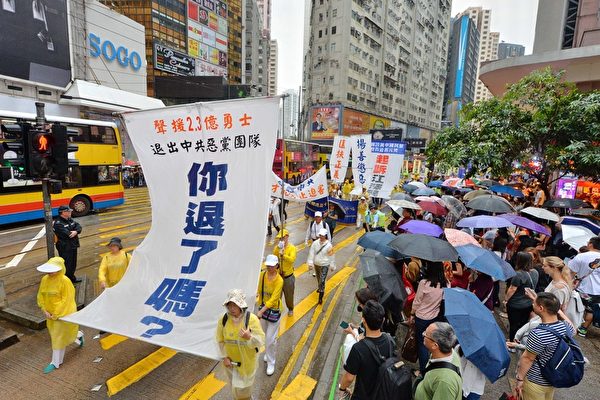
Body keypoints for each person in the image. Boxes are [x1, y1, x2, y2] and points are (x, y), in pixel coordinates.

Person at [513, 292, 575, 400]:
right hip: (552, 380)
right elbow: (573, 329)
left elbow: (528, 359)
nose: (532, 304)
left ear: (541, 308)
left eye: (534, 303)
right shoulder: (566, 327)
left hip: (535, 382)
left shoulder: (538, 333)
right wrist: (558, 310)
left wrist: (520, 380)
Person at [339, 300, 395, 400]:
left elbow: (349, 378)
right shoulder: (389, 339)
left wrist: (342, 388)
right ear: (382, 320)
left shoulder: (358, 348)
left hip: (364, 395)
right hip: (383, 391)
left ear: (363, 320)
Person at [36, 257, 84, 373]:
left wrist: (56, 314)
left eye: (52, 270)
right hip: (50, 314)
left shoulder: (65, 281)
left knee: (57, 337)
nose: (50, 273)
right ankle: (79, 335)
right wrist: (44, 309)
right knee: (64, 333)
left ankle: (55, 362)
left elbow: (66, 300)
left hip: (64, 313)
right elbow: (40, 295)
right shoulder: (44, 280)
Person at [216, 289, 265, 400]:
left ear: (241, 305)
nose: (232, 308)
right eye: (229, 305)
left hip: (247, 363)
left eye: (235, 305)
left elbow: (261, 341)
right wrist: (224, 357)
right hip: (230, 363)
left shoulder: (251, 319)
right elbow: (219, 340)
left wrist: (249, 337)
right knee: (235, 388)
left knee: (245, 390)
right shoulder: (223, 320)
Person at [410, 261, 448, 374]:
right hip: (434, 318)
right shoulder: (445, 283)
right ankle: (430, 366)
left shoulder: (424, 283)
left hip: (421, 317)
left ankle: (423, 371)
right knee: (431, 343)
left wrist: (411, 314)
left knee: (422, 344)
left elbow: (417, 302)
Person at [414, 322, 462, 400]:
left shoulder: (445, 382)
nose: (423, 335)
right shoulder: (449, 352)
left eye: (425, 334)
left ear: (435, 345)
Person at [256, 254, 283, 376]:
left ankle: (271, 362)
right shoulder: (262, 275)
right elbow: (258, 290)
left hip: (273, 312)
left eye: (272, 266)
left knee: (270, 339)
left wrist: (261, 311)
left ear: (277, 266)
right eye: (268, 265)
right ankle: (268, 352)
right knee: (266, 336)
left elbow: (274, 299)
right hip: (263, 310)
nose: (269, 268)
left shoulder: (279, 280)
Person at [568, 237, 600, 337]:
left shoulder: (581, 256)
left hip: (582, 288)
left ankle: (571, 325)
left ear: (591, 244)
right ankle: (583, 329)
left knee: (575, 307)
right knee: (590, 310)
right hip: (597, 291)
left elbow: (570, 273)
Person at [505, 251, 539, 341]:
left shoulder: (518, 274)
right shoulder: (535, 272)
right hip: (528, 303)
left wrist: (506, 300)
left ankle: (512, 342)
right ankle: (518, 340)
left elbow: (512, 289)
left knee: (514, 324)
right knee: (523, 324)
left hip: (515, 304)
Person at [341, 288, 379, 363]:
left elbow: (363, 340)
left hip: (366, 351)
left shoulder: (369, 317)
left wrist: (351, 331)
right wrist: (355, 327)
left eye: (360, 303)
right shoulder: (375, 311)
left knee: (349, 339)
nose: (359, 306)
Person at [53, 205, 82, 283]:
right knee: (67, 265)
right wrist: (74, 231)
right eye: (68, 211)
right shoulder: (58, 223)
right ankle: (67, 281)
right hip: (65, 247)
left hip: (73, 245)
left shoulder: (69, 219)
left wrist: (76, 231)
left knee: (73, 264)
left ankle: (72, 278)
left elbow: (78, 226)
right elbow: (69, 234)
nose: (70, 212)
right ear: (63, 213)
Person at [307, 228, 335, 305]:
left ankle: (320, 297)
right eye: (320, 235)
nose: (321, 237)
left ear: (325, 236)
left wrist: (332, 265)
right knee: (319, 278)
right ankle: (320, 287)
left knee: (322, 280)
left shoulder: (329, 245)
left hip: (325, 265)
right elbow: (311, 253)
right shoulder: (315, 243)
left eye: (323, 236)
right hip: (317, 264)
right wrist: (310, 263)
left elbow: (331, 256)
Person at [273, 230, 296, 316]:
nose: (281, 240)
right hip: (278, 276)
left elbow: (292, 259)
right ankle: (277, 309)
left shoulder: (292, 248)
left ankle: (290, 308)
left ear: (287, 237)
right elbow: (274, 257)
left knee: (289, 295)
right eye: (280, 238)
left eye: (283, 238)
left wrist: (284, 256)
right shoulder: (278, 247)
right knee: (277, 295)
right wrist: (278, 248)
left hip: (288, 276)